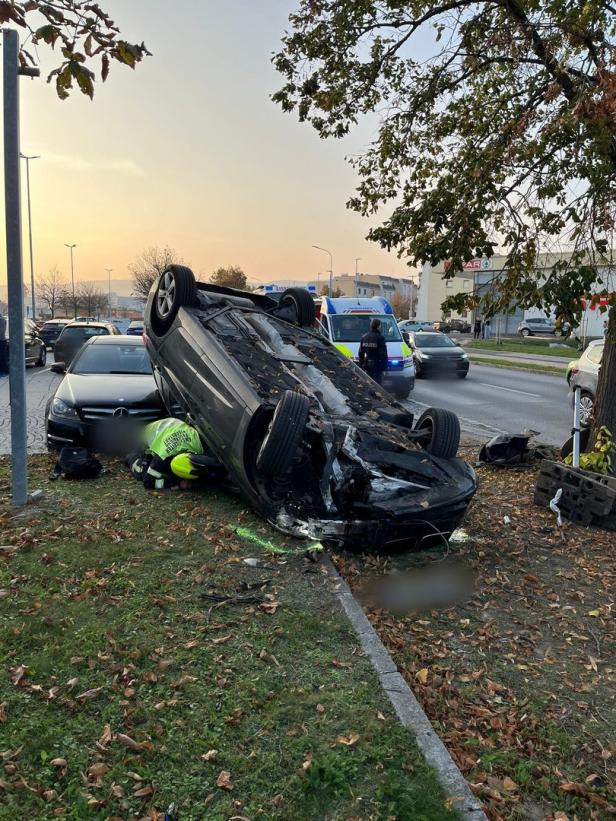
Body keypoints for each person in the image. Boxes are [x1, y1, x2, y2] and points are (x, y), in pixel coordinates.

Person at [128, 417, 222, 490]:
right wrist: (176, 482)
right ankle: (129, 457)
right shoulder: (162, 458)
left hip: (170, 427)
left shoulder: (198, 445)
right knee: (141, 474)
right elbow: (148, 482)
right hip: (146, 435)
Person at [359, 318, 388, 385]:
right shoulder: (380, 338)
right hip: (377, 365)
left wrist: (361, 365)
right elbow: (383, 354)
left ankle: (369, 394)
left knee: (368, 383)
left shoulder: (364, 337)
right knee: (377, 384)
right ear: (379, 326)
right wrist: (385, 368)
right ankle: (375, 395)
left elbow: (361, 353)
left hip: (367, 364)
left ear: (371, 325)